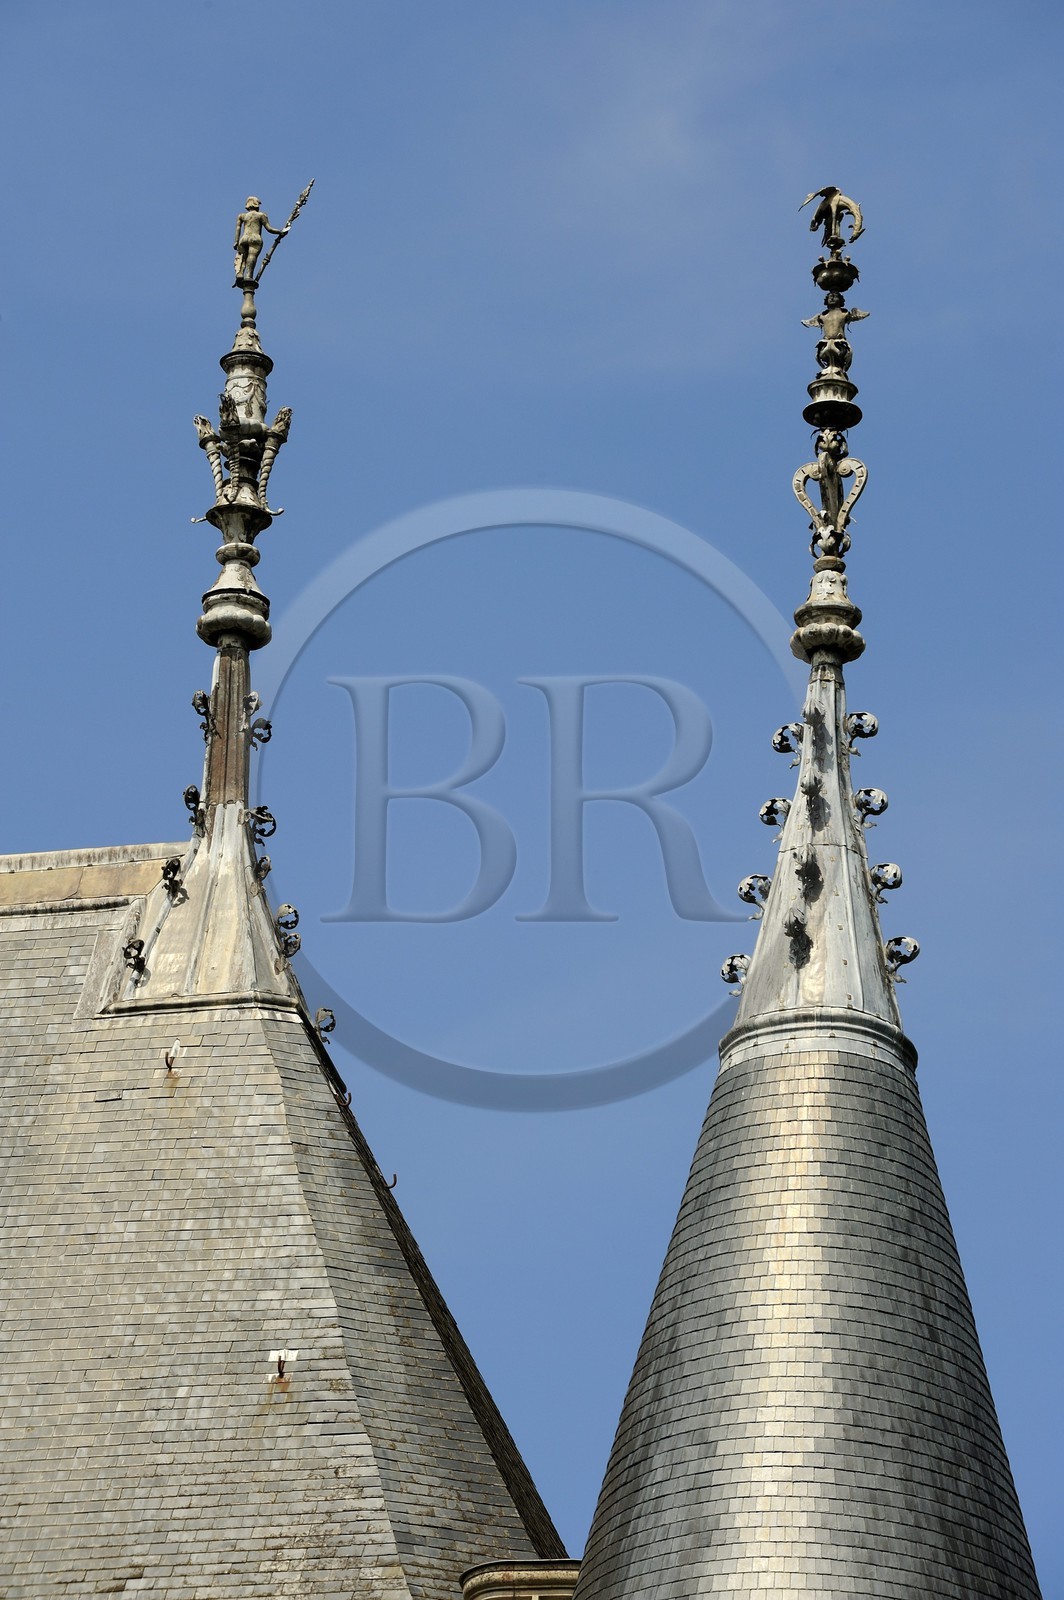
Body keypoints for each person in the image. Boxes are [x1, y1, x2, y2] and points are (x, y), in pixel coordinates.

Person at [233, 198, 288, 285]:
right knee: (251, 256)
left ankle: (240, 273)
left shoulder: (242, 216)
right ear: (256, 204)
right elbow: (269, 229)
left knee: (242, 257)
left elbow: (238, 229)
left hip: (243, 239)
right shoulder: (261, 215)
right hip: (255, 238)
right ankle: (248, 275)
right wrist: (280, 232)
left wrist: (236, 241)